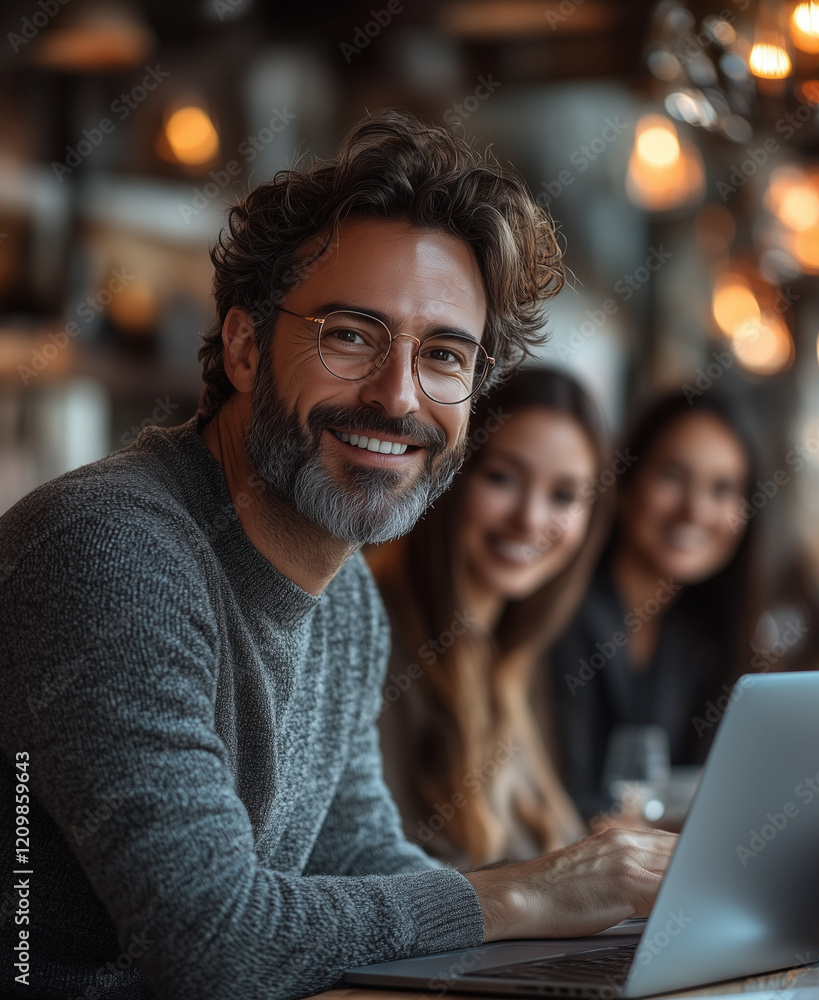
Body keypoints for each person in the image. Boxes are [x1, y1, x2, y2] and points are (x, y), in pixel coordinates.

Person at [0, 109, 675, 1000]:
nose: (397, 397)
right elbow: (214, 943)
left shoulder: (346, 593)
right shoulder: (111, 550)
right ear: (244, 346)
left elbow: (356, 859)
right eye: (351, 335)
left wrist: (604, 920)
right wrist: (529, 893)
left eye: (443, 356)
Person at [377, 367, 613, 867]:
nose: (529, 518)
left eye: (564, 495)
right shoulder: (378, 639)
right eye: (503, 478)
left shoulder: (515, 656)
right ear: (452, 475)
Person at [548, 391, 768, 822]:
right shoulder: (557, 613)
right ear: (626, 484)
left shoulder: (704, 633)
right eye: (672, 476)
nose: (695, 510)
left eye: (722, 489)